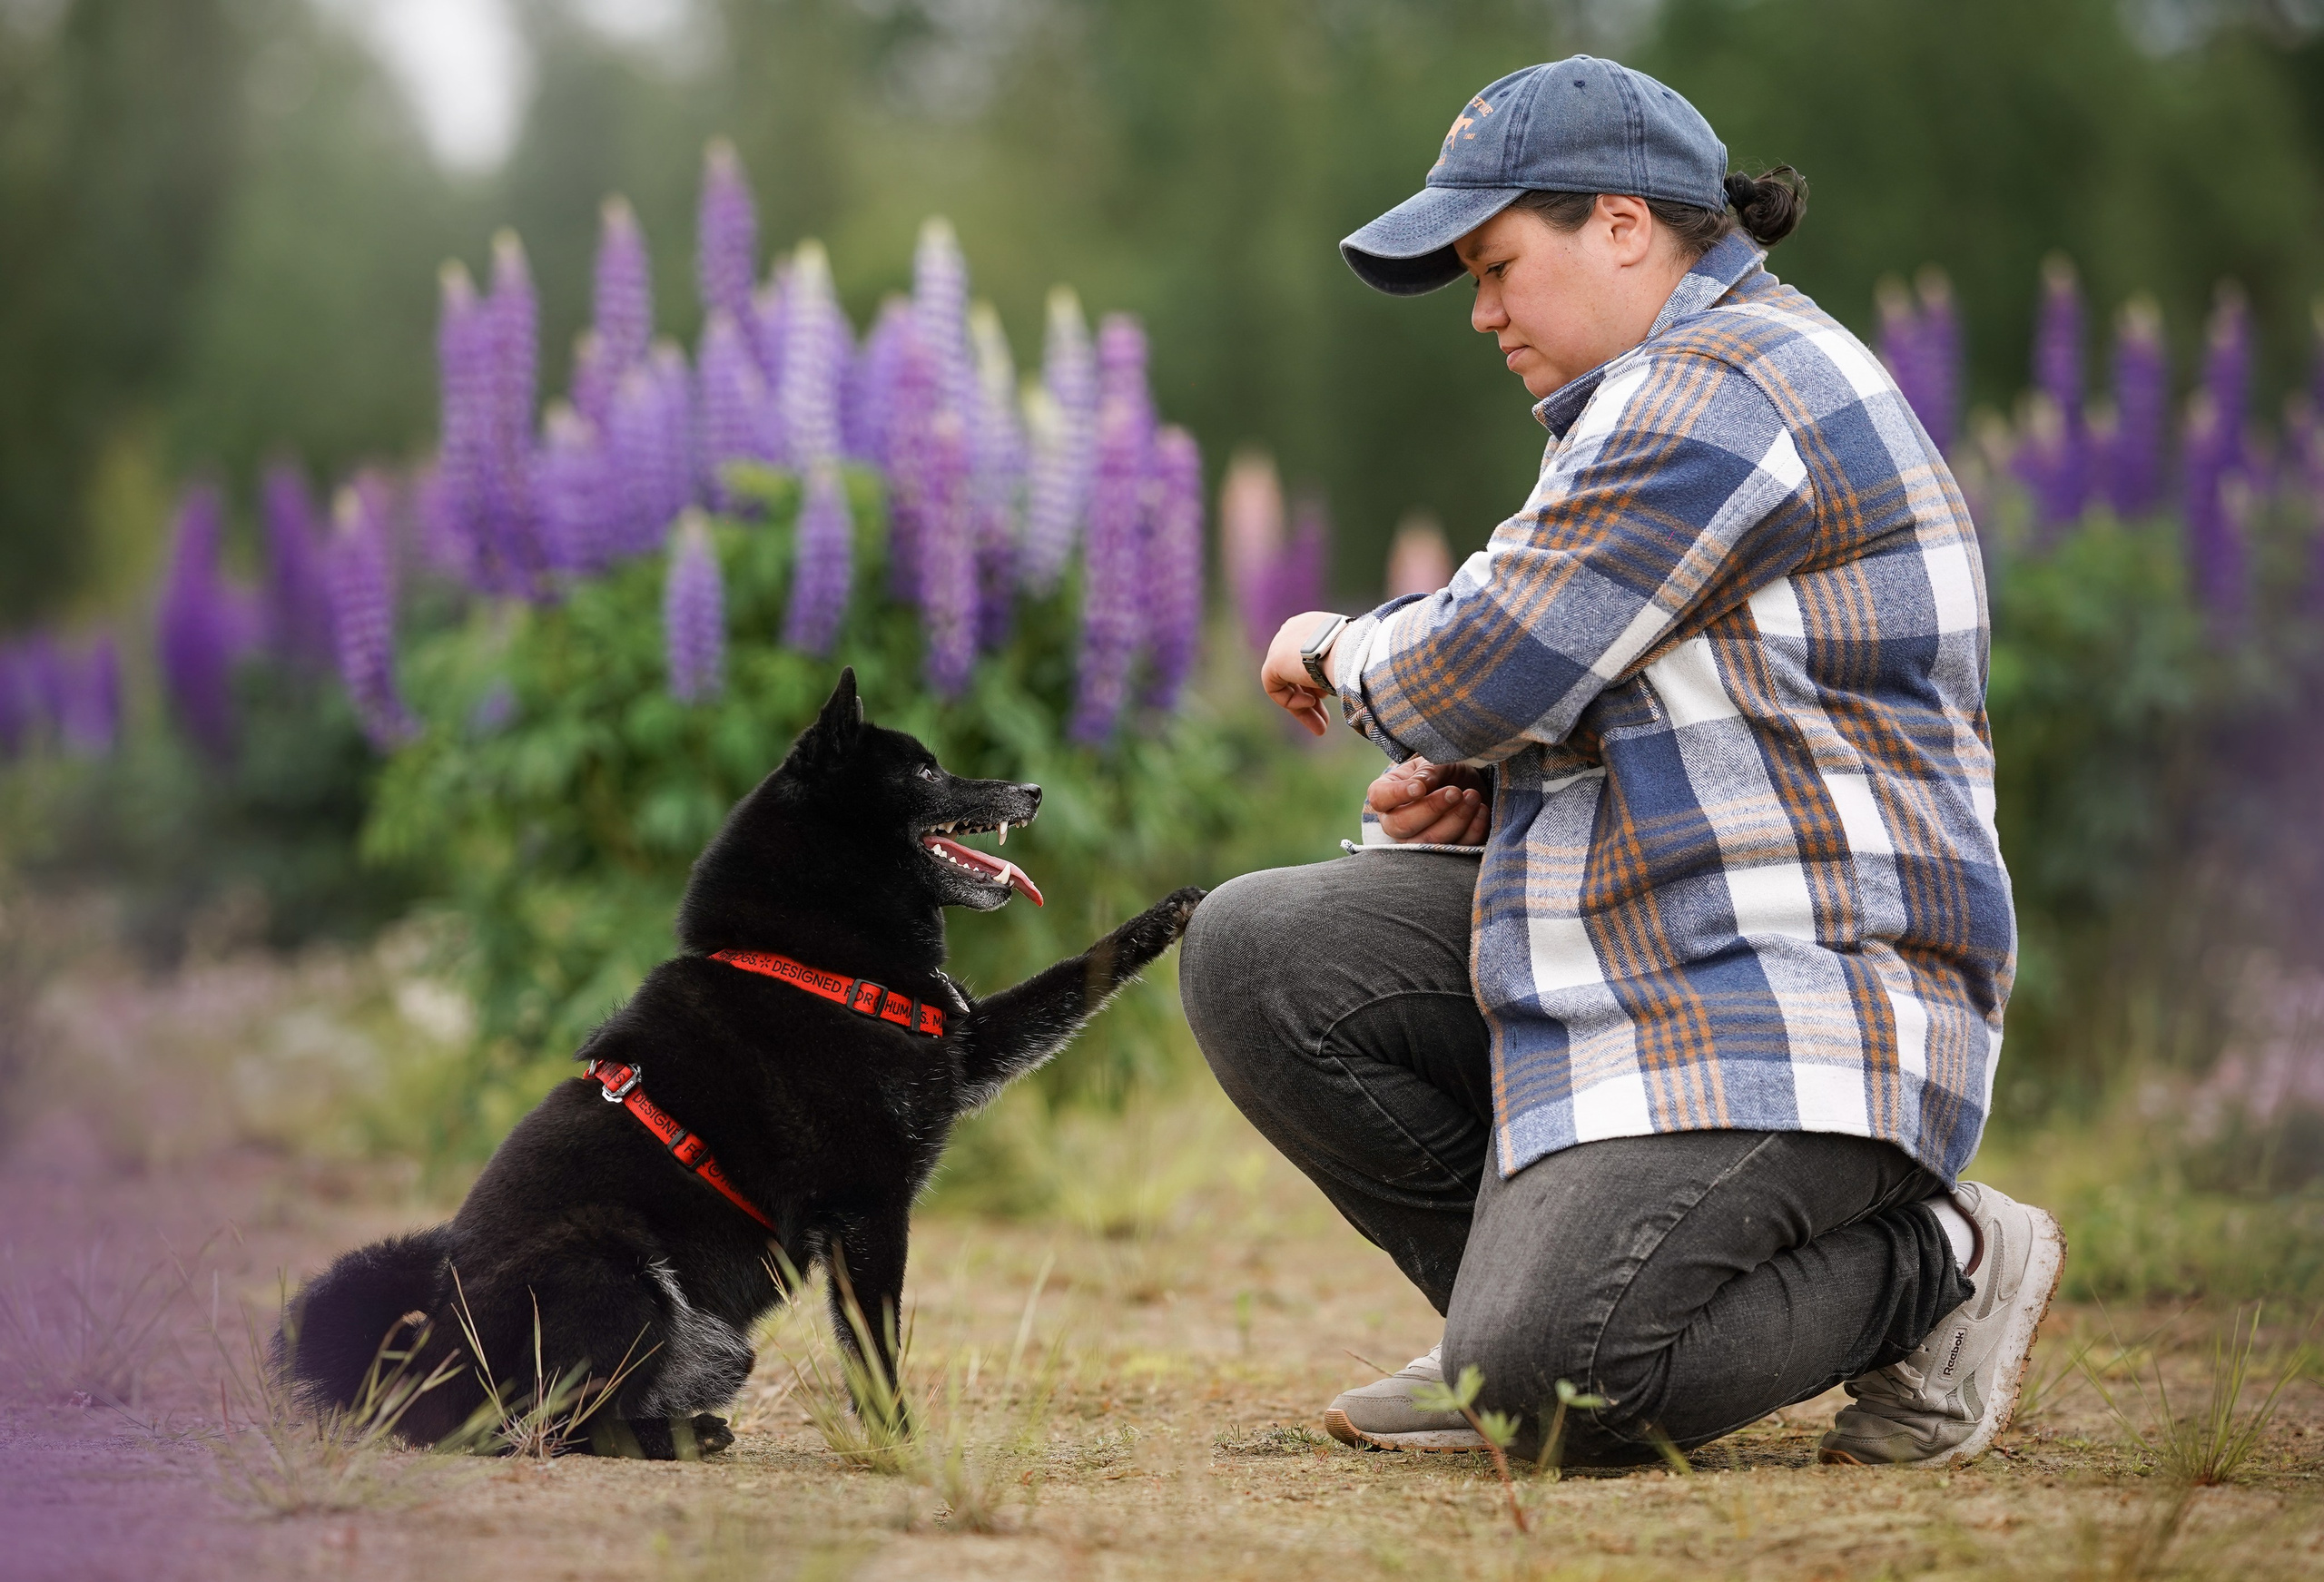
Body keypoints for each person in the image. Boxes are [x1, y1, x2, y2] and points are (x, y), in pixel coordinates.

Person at [1180, 55, 2061, 1469]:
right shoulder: (1652, 396)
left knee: (1555, 1389)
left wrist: (1338, 651)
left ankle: (1941, 1258)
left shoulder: (1726, 388)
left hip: (1801, 999)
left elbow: (1486, 659)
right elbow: (1595, 694)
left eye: (1495, 264)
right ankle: (1505, 1319)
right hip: (1663, 957)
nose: (1482, 311)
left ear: (1623, 224)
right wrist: (1489, 797)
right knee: (1261, 952)